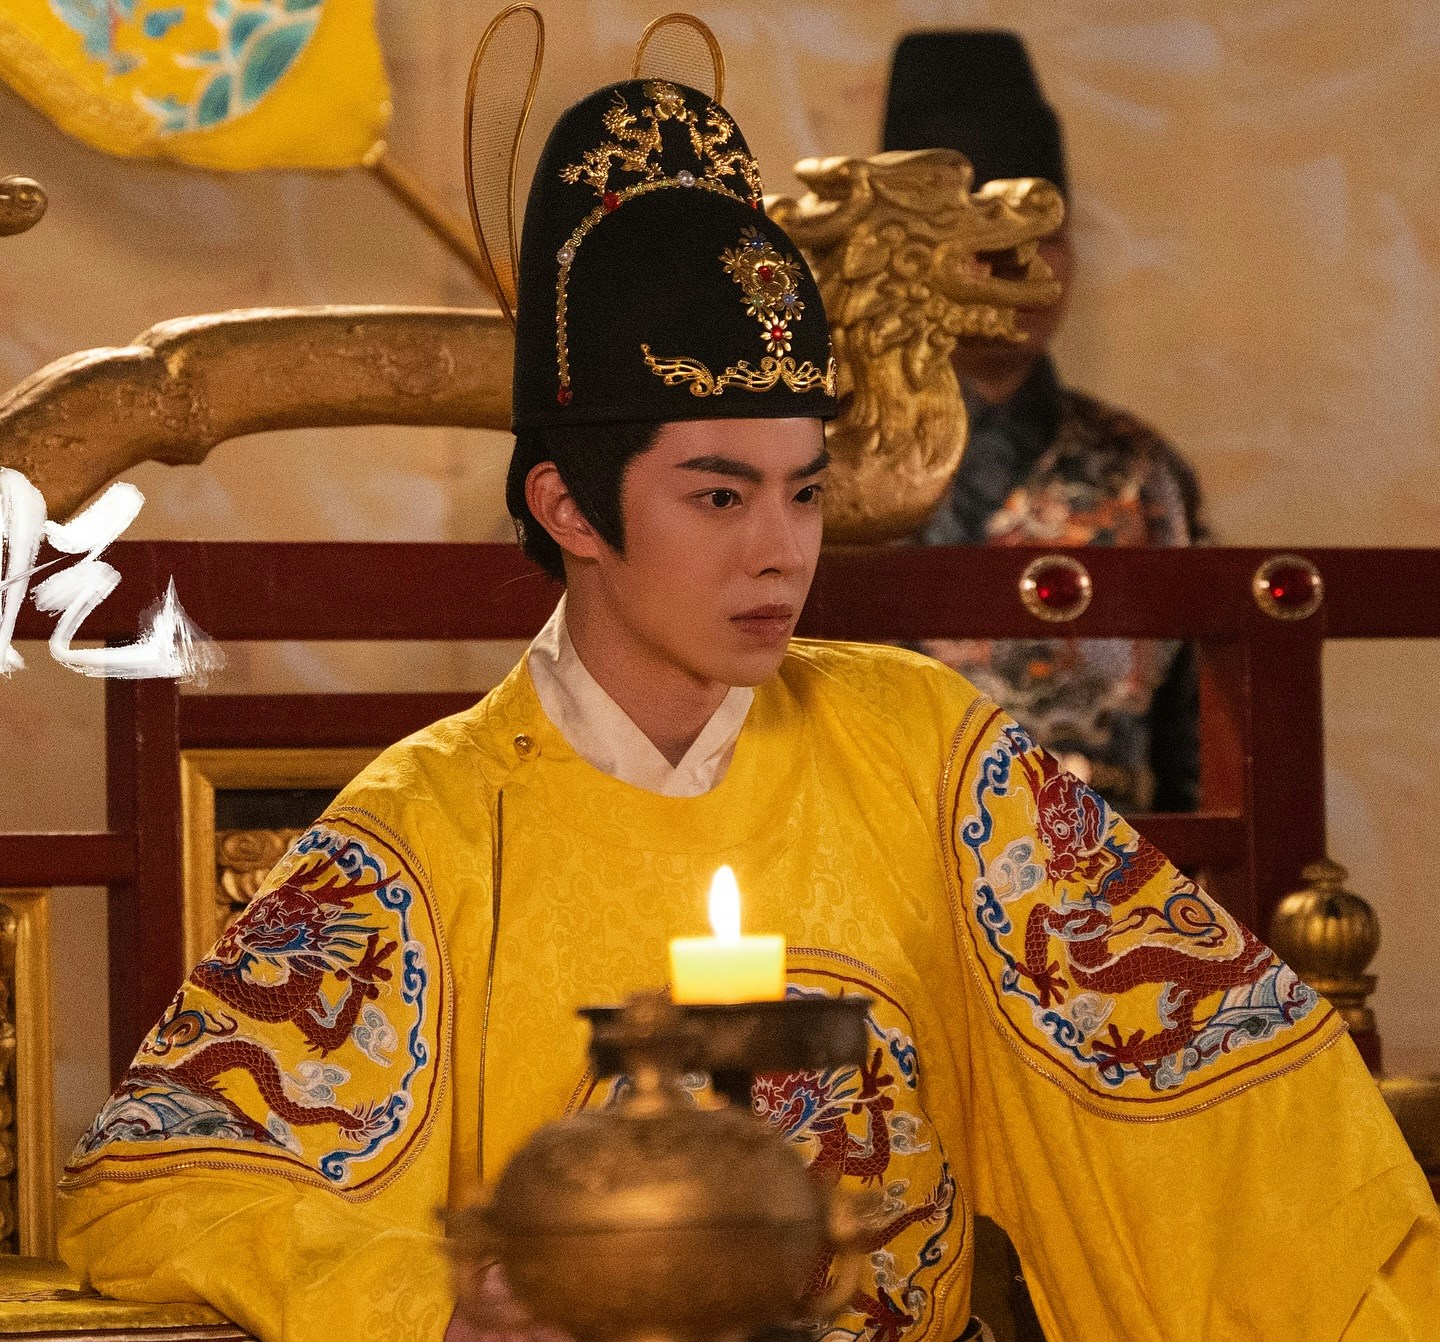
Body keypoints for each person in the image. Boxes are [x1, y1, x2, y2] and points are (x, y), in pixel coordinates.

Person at [57, 71, 1437, 1342]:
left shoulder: (929, 752)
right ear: (569, 507)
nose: (781, 552)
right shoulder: (431, 829)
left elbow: (1228, 1108)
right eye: (719, 495)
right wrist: (440, 1310)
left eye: (806, 490)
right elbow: (164, 1179)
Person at [885, 31, 1206, 815]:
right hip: (892, 857)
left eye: (1047, 237)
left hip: (1115, 864)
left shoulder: (1139, 468)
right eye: (987, 240)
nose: (1024, 269)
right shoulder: (835, 460)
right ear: (906, 254)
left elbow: (1196, 748)